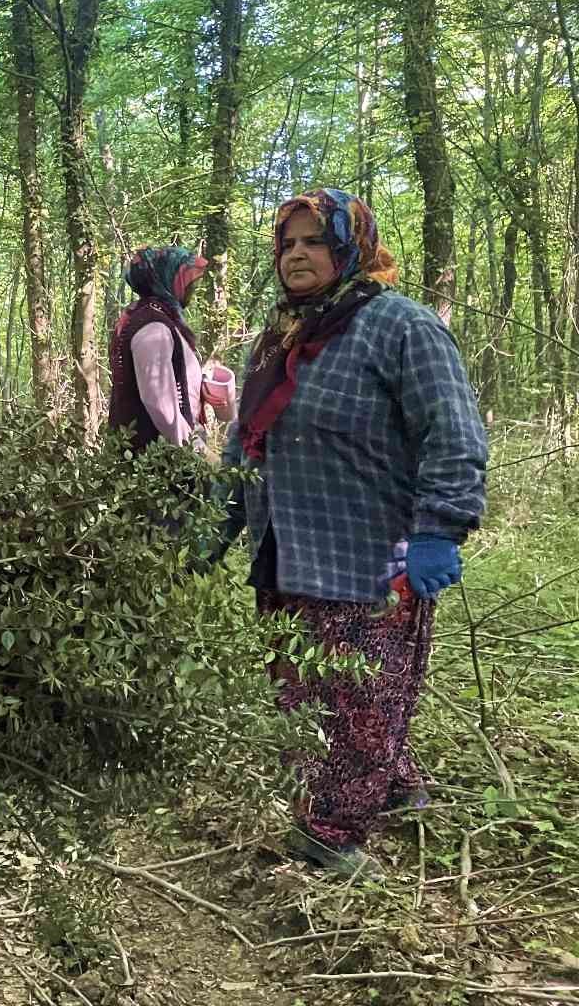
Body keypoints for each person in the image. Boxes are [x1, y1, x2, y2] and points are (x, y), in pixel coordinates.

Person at [219, 187, 486, 881]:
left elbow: (452, 436)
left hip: (369, 556)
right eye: (288, 244)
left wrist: (440, 529)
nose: (297, 254)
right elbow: (244, 443)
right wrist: (217, 521)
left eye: (314, 240)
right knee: (299, 691)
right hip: (284, 549)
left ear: (349, 247)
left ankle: (330, 832)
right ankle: (396, 787)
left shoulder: (400, 327)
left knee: (359, 699)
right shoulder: (278, 336)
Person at [108, 245, 235, 452]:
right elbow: (159, 405)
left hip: (166, 457)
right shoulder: (153, 329)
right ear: (168, 279)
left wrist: (198, 385)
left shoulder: (161, 318)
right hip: (156, 466)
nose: (193, 288)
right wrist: (199, 454)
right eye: (189, 281)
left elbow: (166, 381)